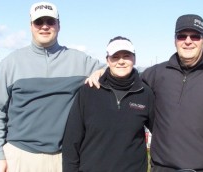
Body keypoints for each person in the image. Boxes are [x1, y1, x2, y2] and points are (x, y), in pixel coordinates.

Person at [88, 14, 203, 172]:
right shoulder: (155, 74)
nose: (188, 41)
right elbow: (124, 80)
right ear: (175, 40)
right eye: (181, 36)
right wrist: (103, 72)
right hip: (162, 168)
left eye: (195, 36)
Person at [0, 2, 104, 172]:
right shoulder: (11, 63)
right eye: (38, 22)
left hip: (63, 159)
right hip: (19, 157)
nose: (44, 26)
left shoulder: (79, 60)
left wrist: (100, 72)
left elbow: (116, 70)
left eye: (50, 21)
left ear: (59, 25)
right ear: (31, 26)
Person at [62, 36, 154, 172]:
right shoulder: (89, 91)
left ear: (134, 59)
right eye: (115, 56)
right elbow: (72, 140)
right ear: (107, 60)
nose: (121, 61)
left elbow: (160, 134)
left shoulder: (144, 93)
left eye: (126, 56)